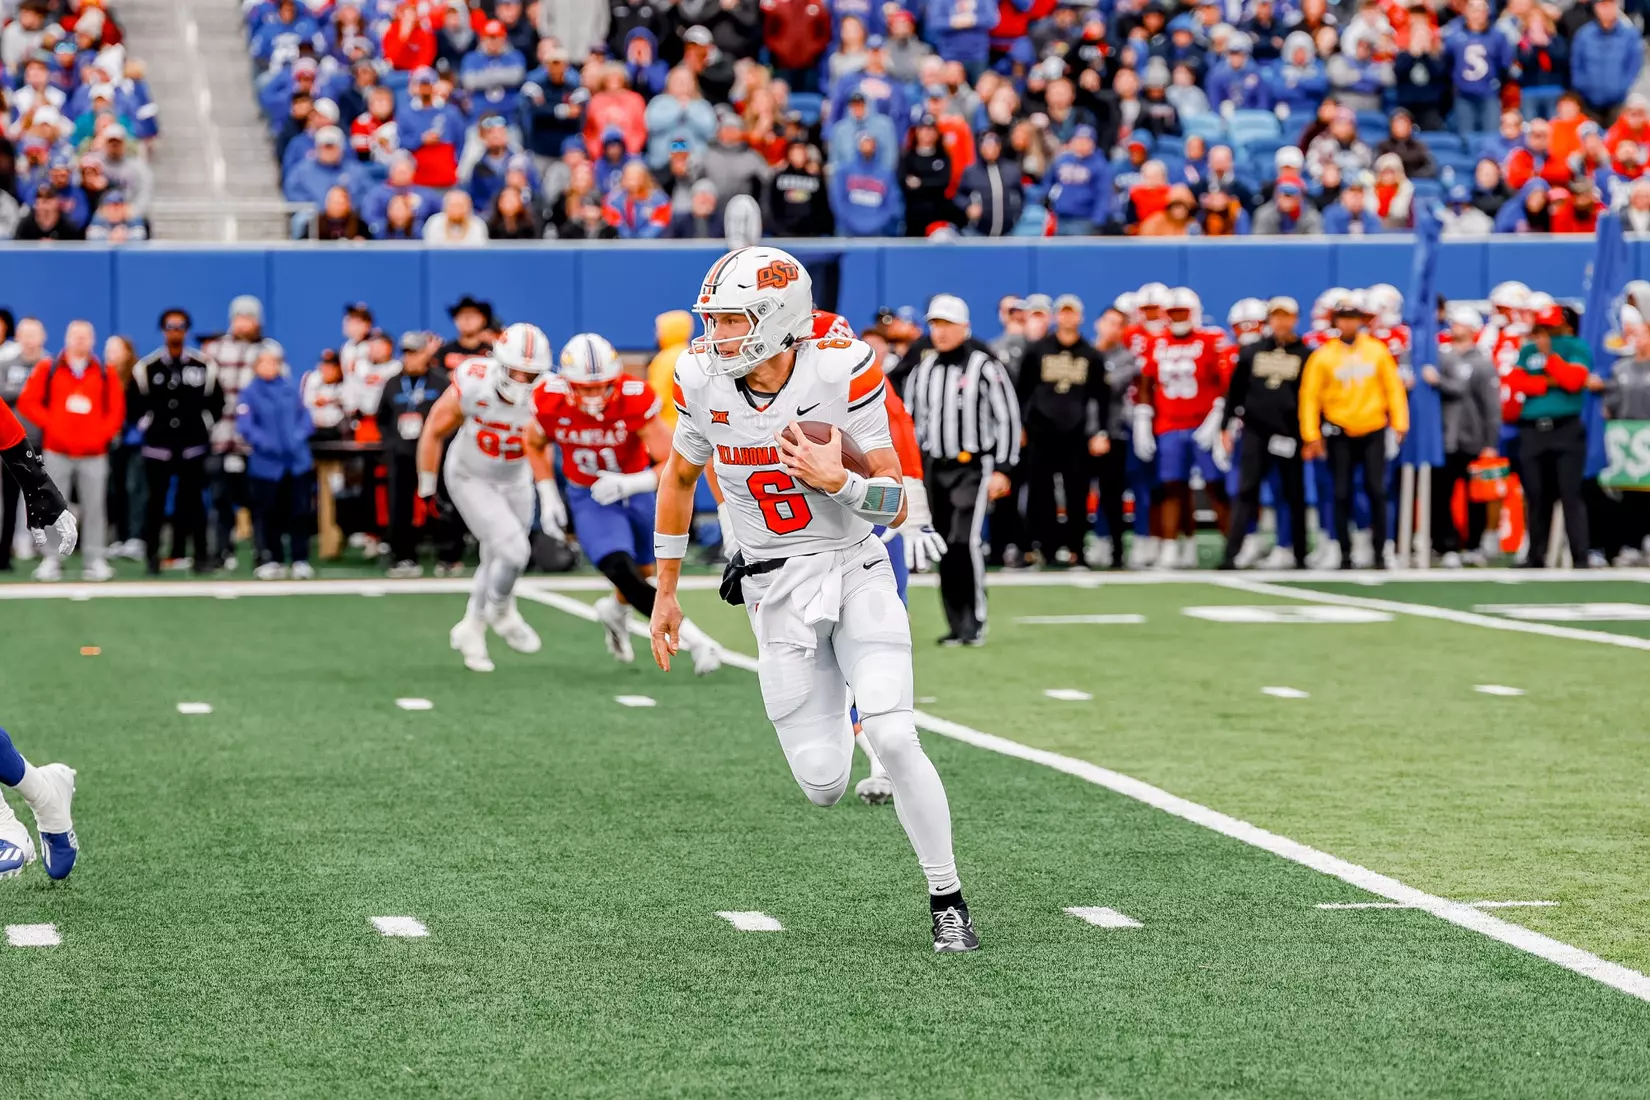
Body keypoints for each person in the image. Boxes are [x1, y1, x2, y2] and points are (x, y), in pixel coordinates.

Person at [649, 246, 977, 953]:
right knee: (823, 782)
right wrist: (666, 592)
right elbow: (678, 478)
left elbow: (891, 503)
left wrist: (842, 483)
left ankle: (947, 897)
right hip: (774, 587)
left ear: (776, 321)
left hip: (853, 564)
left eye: (733, 321)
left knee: (891, 731)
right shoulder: (702, 379)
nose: (718, 337)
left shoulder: (839, 368)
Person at [533, 331, 720, 671]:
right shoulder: (549, 398)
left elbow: (671, 461)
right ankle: (697, 640)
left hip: (635, 490)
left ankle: (614, 611)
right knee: (619, 567)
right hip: (588, 495)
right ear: (567, 382)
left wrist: (629, 482)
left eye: (601, 385)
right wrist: (547, 493)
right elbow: (532, 441)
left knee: (645, 571)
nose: (593, 396)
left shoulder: (633, 398)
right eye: (584, 388)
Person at [415, 323, 562, 672]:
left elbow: (544, 446)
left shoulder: (549, 393)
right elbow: (434, 428)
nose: (524, 381)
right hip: (470, 476)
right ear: (499, 361)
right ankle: (501, 609)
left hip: (515, 477)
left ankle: (472, 628)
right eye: (518, 371)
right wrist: (426, 485)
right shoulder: (474, 380)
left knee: (496, 555)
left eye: (532, 374)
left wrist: (548, 490)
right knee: (515, 550)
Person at [900, 293, 1021, 644]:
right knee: (943, 544)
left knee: (963, 541)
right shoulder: (923, 370)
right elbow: (911, 423)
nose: (939, 332)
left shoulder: (985, 366)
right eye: (935, 324)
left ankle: (975, 620)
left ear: (964, 328)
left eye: (947, 324)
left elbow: (1008, 418)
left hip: (972, 465)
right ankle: (956, 623)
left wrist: (1003, 467)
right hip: (934, 467)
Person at [1299, 294, 1409, 569]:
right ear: (1336, 322)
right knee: (1340, 492)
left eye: (1353, 318)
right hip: (1339, 430)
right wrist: (1311, 434)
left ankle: (1381, 549)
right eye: (1343, 318)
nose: (1348, 324)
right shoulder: (1323, 355)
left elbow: (1392, 388)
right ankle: (1343, 549)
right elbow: (1310, 396)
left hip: (1372, 428)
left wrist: (1399, 423)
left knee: (1376, 489)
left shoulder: (1376, 350)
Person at [17, 320, 124, 582]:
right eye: (75, 336)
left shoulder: (103, 372)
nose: (80, 341)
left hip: (94, 453)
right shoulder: (49, 367)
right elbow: (27, 401)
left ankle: (94, 559)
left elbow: (116, 411)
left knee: (95, 506)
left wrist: (101, 434)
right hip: (58, 450)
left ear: (93, 341)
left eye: (85, 336)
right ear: (66, 338)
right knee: (53, 506)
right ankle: (52, 559)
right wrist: (52, 424)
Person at [1134, 287, 1228, 569]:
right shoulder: (1157, 342)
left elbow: (1225, 383)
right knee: (1171, 486)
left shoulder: (1211, 340)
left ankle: (1231, 543)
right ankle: (1172, 545)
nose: (1177, 318)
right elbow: (1146, 381)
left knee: (1215, 486)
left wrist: (1217, 418)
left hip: (1202, 425)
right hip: (1169, 423)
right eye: (1172, 312)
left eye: (1182, 312)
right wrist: (1143, 416)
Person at [1017, 294, 1110, 567]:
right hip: (1041, 433)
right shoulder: (1037, 350)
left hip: (1076, 435)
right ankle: (1045, 548)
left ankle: (1076, 549)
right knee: (1040, 495)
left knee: (1077, 494)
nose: (1068, 318)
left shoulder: (1091, 354)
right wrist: (1020, 427)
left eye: (1073, 313)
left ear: (1080, 317)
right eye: (1063, 312)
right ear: (1056, 316)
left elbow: (1101, 397)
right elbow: (1022, 392)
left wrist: (1100, 431)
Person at [1220, 297, 1310, 570]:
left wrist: (1310, 436)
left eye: (1286, 316)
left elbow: (1311, 396)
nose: (1281, 322)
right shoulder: (1252, 352)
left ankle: (1299, 554)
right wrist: (1225, 426)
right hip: (1255, 432)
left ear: (1295, 319)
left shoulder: (1306, 354)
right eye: (1276, 316)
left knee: (1293, 493)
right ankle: (1232, 555)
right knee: (1246, 491)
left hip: (1290, 434)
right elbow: (1234, 392)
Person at [1506, 303, 1598, 566]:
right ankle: (1536, 554)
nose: (1544, 332)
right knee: (1535, 494)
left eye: (1549, 326)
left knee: (1570, 493)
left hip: (1565, 428)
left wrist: (1550, 360)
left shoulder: (1575, 347)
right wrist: (1549, 381)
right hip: (1532, 429)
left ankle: (1580, 555)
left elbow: (1573, 381)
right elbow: (1518, 382)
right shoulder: (1527, 350)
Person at [129, 309, 219, 575]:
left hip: (192, 447)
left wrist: (204, 426)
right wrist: (148, 426)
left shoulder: (203, 365)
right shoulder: (147, 367)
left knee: (194, 503)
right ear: (163, 330)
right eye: (170, 326)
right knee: (155, 503)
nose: (175, 331)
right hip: (158, 448)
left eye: (180, 326)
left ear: (187, 330)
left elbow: (216, 403)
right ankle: (152, 557)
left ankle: (200, 556)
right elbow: (134, 405)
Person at [1425, 305, 1501, 567]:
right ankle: (1447, 544)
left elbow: (1491, 407)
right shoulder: (1442, 356)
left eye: (1459, 323)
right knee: (1441, 494)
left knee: (1476, 496)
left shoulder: (1481, 362)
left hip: (1472, 439)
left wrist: (1490, 443)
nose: (1453, 327)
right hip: (1445, 438)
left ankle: (1474, 544)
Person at [378, 332, 457, 578]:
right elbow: (382, 417)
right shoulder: (392, 383)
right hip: (402, 454)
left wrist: (442, 441)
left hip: (435, 454)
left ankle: (448, 555)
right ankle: (403, 556)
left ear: (426, 353)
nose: (409, 358)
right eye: (406, 353)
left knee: (443, 501)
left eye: (415, 352)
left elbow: (453, 415)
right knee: (399, 505)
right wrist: (392, 442)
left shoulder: (439, 382)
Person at [236, 344, 316, 580]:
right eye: (264, 362)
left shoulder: (291, 388)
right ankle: (271, 557)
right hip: (266, 465)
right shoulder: (249, 393)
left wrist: (296, 438)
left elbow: (306, 419)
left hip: (296, 462)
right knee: (267, 513)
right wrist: (268, 444)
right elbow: (246, 426)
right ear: (256, 366)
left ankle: (300, 558)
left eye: (274, 362)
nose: (270, 367)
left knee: (299, 511)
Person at [202, 296, 266, 571]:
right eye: (239, 317)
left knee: (259, 500)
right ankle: (221, 551)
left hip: (255, 443)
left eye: (248, 318)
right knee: (220, 500)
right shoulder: (215, 350)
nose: (243, 323)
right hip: (220, 438)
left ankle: (263, 552)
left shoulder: (268, 350)